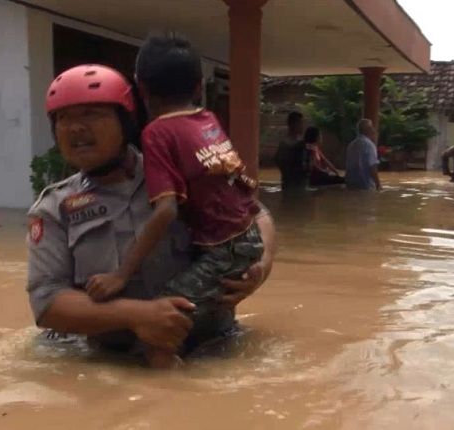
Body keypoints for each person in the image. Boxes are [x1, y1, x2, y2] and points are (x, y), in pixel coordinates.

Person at [27, 63, 276, 366]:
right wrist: (137, 315)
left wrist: (260, 268)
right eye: (63, 118)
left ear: (125, 122)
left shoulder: (178, 172)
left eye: (91, 114)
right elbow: (48, 304)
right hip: (118, 363)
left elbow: (257, 215)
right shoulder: (54, 208)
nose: (75, 128)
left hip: (216, 349)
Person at [275, 111, 308, 191]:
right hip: (294, 184)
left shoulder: (284, 143)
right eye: (301, 123)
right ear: (293, 124)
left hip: (292, 184)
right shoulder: (300, 144)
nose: (303, 126)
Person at [345, 119, 381, 191]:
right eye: (372, 127)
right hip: (365, 186)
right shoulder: (369, 145)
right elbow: (372, 167)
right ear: (368, 130)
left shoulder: (351, 145)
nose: (373, 130)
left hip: (350, 185)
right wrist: (378, 185)